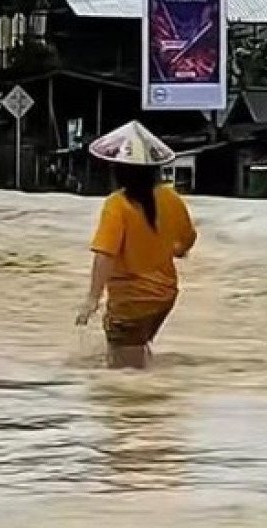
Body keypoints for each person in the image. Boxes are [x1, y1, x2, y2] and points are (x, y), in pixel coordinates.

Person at [76, 121, 197, 370]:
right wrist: (173, 250)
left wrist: (92, 298)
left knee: (126, 381)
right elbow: (186, 241)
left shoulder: (116, 204)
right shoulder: (171, 198)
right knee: (135, 360)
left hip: (132, 302)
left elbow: (105, 255)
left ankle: (150, 408)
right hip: (164, 298)